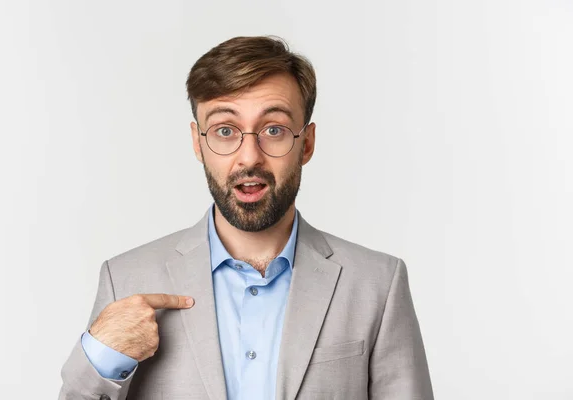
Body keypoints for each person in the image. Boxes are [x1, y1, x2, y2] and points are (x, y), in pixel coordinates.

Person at [58, 35, 434, 400]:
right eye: (225, 130)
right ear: (198, 143)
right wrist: (104, 358)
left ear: (307, 143)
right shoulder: (125, 279)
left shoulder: (378, 285)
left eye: (274, 129)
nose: (250, 157)